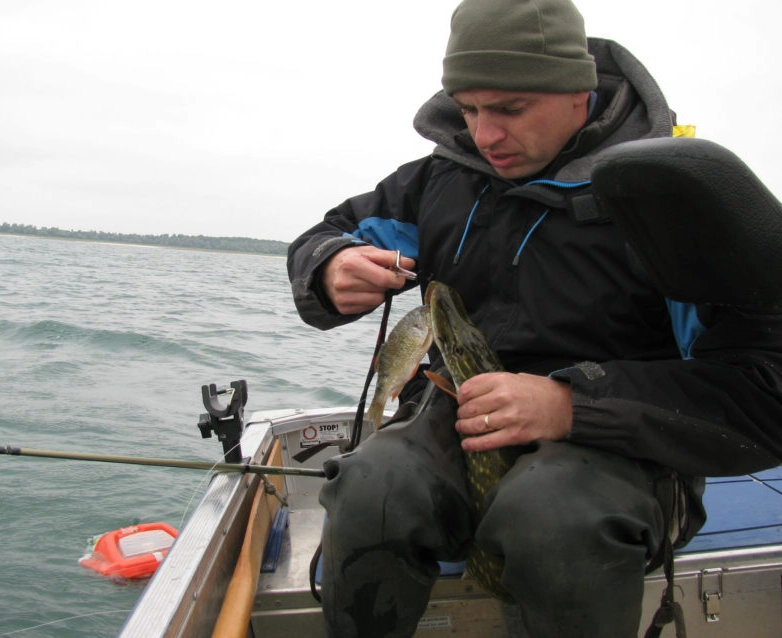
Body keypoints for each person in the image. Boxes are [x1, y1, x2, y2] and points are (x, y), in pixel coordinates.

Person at [286, 0, 782, 636]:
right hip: (459, 420)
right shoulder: (443, 179)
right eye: (468, 109)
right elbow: (329, 234)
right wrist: (332, 266)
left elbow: (764, 390)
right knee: (373, 489)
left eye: (510, 109)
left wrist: (572, 405)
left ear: (579, 93)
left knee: (552, 515)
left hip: (623, 449)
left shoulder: (672, 204)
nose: (484, 135)